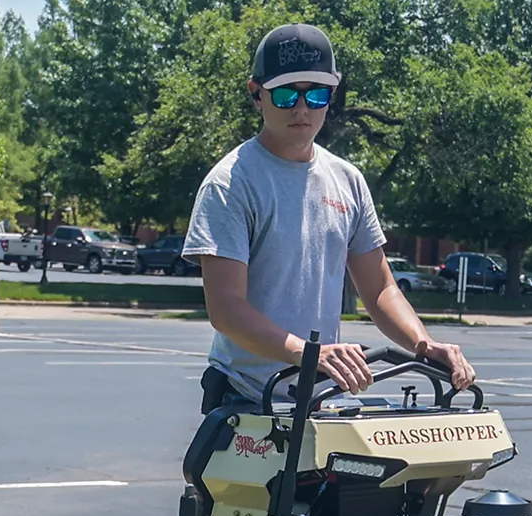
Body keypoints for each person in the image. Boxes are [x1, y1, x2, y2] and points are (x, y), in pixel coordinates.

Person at [182, 23, 475, 410]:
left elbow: (380, 289)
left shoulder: (347, 180)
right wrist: (309, 354)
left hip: (317, 396)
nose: (302, 109)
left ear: (331, 96)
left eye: (316, 94)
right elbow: (226, 308)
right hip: (247, 399)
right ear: (256, 95)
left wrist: (423, 343)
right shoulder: (230, 183)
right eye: (286, 94)